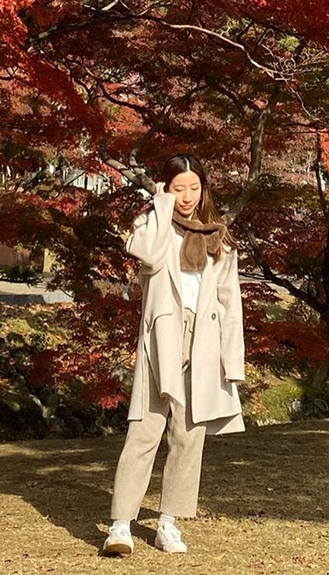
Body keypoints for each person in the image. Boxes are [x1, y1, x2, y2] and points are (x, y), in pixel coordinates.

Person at [103, 155, 246, 557]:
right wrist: (160, 204)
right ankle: (120, 525)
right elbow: (146, 256)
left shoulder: (220, 236)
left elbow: (230, 302)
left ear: (204, 188)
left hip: (205, 340)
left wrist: (232, 361)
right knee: (144, 430)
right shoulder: (152, 224)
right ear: (166, 187)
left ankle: (168, 522)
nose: (187, 196)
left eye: (193, 187)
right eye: (178, 187)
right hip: (162, 337)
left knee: (189, 435)